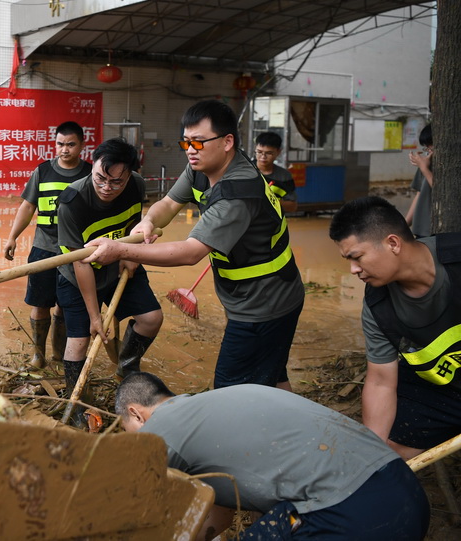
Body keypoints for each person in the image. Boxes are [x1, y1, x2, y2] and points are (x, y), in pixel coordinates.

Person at [83, 100, 304, 390]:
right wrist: (148, 221)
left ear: (227, 142)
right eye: (186, 142)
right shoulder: (200, 167)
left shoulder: (238, 192)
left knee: (229, 387)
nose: (190, 150)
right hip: (254, 295)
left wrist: (121, 250)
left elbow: (190, 253)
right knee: (272, 376)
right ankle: (295, 430)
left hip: (265, 303)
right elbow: (168, 203)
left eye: (198, 142)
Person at [116, 372, 429, 540]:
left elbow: (128, 514)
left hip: (350, 515)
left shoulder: (162, 427)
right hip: (405, 494)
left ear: (136, 414)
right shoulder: (214, 415)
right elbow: (218, 516)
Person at [329, 195, 461, 460]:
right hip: (436, 390)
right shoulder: (378, 305)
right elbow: (380, 382)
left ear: (392, 243)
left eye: (357, 257)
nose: (354, 270)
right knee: (386, 455)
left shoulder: (456, 258)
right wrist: (373, 457)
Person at [54, 137, 163, 409]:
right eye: (101, 178)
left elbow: (135, 222)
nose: (106, 187)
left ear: (129, 177)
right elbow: (80, 263)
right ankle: (77, 398)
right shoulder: (72, 201)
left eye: (117, 182)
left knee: (152, 318)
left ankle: (126, 368)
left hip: (121, 263)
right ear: (92, 167)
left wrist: (131, 254)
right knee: (79, 342)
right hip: (79, 274)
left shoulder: (136, 183)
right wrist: (95, 316)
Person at [3, 121, 92, 367]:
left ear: (82, 145)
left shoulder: (91, 173)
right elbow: (27, 206)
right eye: (60, 144)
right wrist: (12, 236)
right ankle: (37, 355)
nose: (65, 150)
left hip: (75, 251)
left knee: (66, 305)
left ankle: (60, 354)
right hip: (44, 248)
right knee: (40, 303)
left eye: (71, 144)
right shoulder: (42, 171)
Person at [252, 131, 297, 213]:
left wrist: (271, 201)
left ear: (278, 152)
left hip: (273, 223)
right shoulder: (244, 171)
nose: (263, 157)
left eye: (269, 153)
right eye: (259, 152)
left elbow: (292, 207)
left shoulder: (284, 176)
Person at [405, 123, 433, 238]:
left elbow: (444, 194)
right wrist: (405, 224)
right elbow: (419, 195)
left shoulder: (425, 165)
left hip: (437, 231)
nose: (428, 150)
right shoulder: (426, 163)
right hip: (421, 230)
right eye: (426, 147)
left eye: (430, 146)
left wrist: (424, 168)